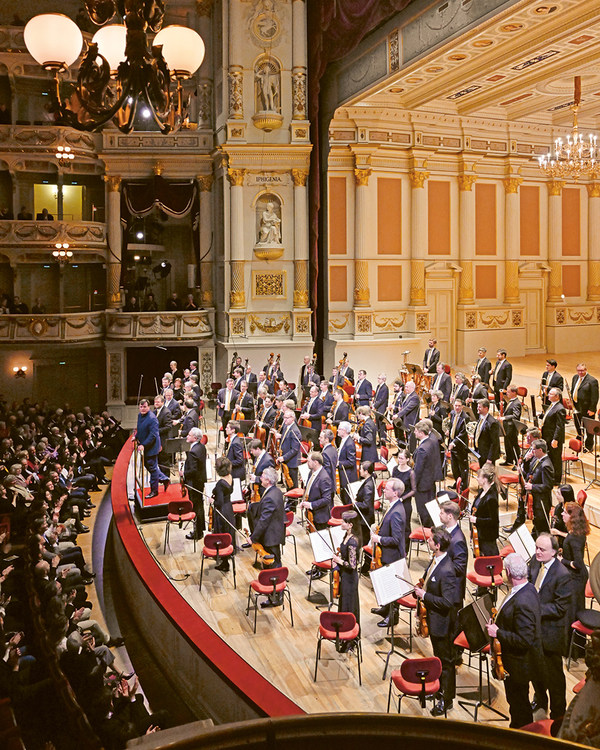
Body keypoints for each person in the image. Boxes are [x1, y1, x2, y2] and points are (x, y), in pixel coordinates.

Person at [486, 553, 542, 729]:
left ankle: (521, 735)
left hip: (519, 665)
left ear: (509, 572)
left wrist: (498, 632)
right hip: (518, 663)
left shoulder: (523, 601)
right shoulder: (529, 588)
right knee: (517, 703)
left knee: (519, 704)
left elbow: (524, 640)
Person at [414, 527, 460, 716]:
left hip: (443, 624)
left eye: (431, 540)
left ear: (438, 545)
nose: (428, 542)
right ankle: (440, 690)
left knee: (446, 662)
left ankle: (446, 700)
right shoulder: (436, 560)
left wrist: (424, 595)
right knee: (439, 659)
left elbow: (448, 602)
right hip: (434, 621)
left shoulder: (447, 570)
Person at [529, 532, 571, 719]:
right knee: (535, 670)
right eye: (536, 547)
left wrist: (534, 608)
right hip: (533, 631)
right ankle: (540, 699)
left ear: (554, 552)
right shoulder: (535, 562)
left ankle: (558, 712)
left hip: (550, 633)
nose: (537, 552)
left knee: (554, 677)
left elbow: (560, 608)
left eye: (542, 549)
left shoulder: (563, 575)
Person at [370, 477, 406, 628]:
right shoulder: (394, 506)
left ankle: (392, 617)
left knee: (392, 588)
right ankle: (386, 609)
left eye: (387, 489)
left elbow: (396, 539)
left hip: (392, 556)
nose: (384, 490)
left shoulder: (397, 512)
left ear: (396, 493)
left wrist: (379, 538)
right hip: (388, 554)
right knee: (386, 585)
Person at [560, 501, 590, 648]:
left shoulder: (575, 537)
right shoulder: (575, 533)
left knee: (572, 612)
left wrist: (562, 560)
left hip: (576, 579)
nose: (562, 514)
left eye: (565, 512)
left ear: (572, 517)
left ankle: (574, 648)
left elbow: (577, 564)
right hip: (575, 577)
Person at [251, 467, 285, 589]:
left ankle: (276, 595)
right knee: (274, 564)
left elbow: (264, 521)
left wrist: (253, 538)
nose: (260, 478)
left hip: (271, 537)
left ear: (268, 480)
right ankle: (274, 593)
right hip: (274, 534)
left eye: (263, 476)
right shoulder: (276, 491)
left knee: (273, 567)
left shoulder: (270, 497)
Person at [331, 510, 362, 638]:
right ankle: (344, 632)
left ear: (350, 525)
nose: (341, 523)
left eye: (344, 521)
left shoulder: (353, 542)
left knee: (349, 605)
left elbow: (352, 565)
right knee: (344, 603)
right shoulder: (347, 536)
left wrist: (339, 561)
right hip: (345, 576)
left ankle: (349, 636)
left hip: (350, 579)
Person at [135, 399, 169, 499]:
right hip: (145, 446)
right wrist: (136, 436)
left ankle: (154, 491)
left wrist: (144, 445)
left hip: (151, 447)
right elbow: (141, 428)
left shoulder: (152, 418)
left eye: (144, 407)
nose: (142, 409)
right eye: (141, 407)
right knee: (149, 466)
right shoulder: (139, 415)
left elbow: (153, 435)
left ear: (149, 407)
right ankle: (164, 478)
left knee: (153, 469)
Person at [413, 420, 443, 527]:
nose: (414, 433)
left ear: (421, 433)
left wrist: (413, 485)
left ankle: (426, 532)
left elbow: (418, 470)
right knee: (431, 506)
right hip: (430, 480)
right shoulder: (432, 441)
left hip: (423, 484)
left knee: (423, 510)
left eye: (416, 431)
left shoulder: (422, 449)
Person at [438, 499, 467, 604]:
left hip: (452, 592)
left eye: (441, 513)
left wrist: (440, 562)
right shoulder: (443, 529)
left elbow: (459, 567)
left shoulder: (458, 540)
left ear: (450, 516)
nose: (439, 515)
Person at [523, 439, 554, 537]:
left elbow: (548, 486)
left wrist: (532, 487)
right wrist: (526, 461)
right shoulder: (536, 460)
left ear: (540, 450)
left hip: (542, 502)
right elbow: (529, 472)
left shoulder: (546, 465)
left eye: (533, 450)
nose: (532, 452)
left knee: (542, 527)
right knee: (536, 524)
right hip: (536, 499)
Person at [210, 457, 236, 570]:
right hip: (229, 507)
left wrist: (212, 501)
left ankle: (224, 562)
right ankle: (227, 554)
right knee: (228, 531)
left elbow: (219, 502)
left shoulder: (221, 483)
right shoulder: (230, 477)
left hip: (222, 511)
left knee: (221, 532)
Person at [299, 452, 333, 536]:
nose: (307, 463)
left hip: (320, 516)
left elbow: (327, 499)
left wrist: (311, 504)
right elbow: (308, 488)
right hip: (312, 514)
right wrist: (303, 501)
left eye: (308, 461)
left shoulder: (324, 478)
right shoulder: (311, 472)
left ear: (316, 462)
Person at [470, 462, 500, 556]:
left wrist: (476, 520)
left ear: (484, 479)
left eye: (479, 477)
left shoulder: (491, 498)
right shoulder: (483, 491)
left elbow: (494, 521)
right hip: (481, 535)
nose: (477, 478)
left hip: (487, 538)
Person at [184, 427, 207, 540]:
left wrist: (183, 473)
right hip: (200, 481)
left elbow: (192, 470)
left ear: (195, 438)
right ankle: (200, 530)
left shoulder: (193, 452)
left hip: (194, 484)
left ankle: (197, 532)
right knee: (199, 506)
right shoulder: (202, 447)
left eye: (189, 435)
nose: (187, 436)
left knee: (196, 507)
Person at [570, 363, 599, 451]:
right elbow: (573, 390)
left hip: (587, 408)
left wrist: (592, 409)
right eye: (579, 370)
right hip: (577, 406)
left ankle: (588, 446)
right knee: (578, 424)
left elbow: (595, 396)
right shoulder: (575, 377)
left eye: (582, 370)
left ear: (586, 370)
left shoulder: (592, 381)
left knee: (589, 429)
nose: (580, 372)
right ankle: (579, 441)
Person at [541, 387, 566, 484]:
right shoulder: (552, 405)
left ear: (557, 396)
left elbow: (560, 426)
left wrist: (555, 439)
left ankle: (556, 479)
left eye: (550, 394)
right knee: (550, 456)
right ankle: (550, 476)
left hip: (554, 438)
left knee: (556, 458)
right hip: (547, 436)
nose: (548, 395)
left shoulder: (560, 409)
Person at [392, 448, 416, 551]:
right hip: (395, 501)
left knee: (405, 527)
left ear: (407, 459)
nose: (399, 460)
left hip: (405, 503)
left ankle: (405, 550)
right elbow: (392, 482)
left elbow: (414, 490)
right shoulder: (395, 469)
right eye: (398, 458)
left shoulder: (411, 473)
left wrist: (402, 499)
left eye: (401, 458)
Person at [354, 461, 375, 573]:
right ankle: (365, 565)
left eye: (361, 469)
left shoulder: (368, 486)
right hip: (366, 517)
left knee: (365, 542)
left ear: (366, 471)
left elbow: (366, 505)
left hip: (364, 518)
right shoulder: (369, 480)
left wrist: (356, 503)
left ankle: (366, 566)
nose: (359, 470)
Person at [276, 411, 302, 489]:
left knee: (292, 485)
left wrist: (283, 457)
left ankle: (293, 501)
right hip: (286, 460)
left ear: (292, 418)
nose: (285, 420)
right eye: (284, 418)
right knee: (287, 483)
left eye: (287, 418)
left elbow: (294, 449)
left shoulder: (295, 431)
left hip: (292, 462)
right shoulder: (286, 427)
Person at [447, 399, 469, 491]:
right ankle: (457, 483)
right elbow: (451, 425)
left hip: (460, 445)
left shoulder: (465, 417)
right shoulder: (452, 413)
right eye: (455, 405)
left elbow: (463, 433)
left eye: (459, 406)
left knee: (462, 467)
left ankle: (463, 486)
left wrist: (454, 443)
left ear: (462, 407)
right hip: (452, 443)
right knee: (454, 467)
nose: (457, 407)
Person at [473, 398, 501, 466]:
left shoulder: (492, 423)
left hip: (487, 455)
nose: (477, 408)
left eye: (479, 407)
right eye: (477, 406)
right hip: (480, 452)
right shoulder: (481, 417)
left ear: (486, 408)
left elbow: (494, 443)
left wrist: (490, 458)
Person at [500, 385, 522, 468]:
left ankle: (517, 463)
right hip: (507, 427)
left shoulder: (517, 403)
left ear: (514, 392)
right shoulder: (511, 401)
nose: (507, 393)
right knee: (507, 444)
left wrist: (504, 417)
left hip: (512, 427)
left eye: (508, 392)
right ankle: (509, 460)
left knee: (514, 445)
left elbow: (515, 416)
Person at [396, 380, 420, 451]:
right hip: (406, 422)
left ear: (412, 387)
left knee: (411, 443)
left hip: (412, 422)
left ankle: (412, 458)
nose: (405, 388)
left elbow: (408, 408)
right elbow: (405, 407)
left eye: (407, 387)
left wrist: (398, 414)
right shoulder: (408, 395)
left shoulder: (414, 397)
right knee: (408, 442)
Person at [337, 421, 357, 502]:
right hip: (343, 474)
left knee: (347, 499)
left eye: (339, 429)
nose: (337, 430)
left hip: (347, 476)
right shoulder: (344, 440)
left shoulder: (349, 443)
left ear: (344, 431)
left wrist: (339, 463)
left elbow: (351, 462)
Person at [372, 373, 389, 445]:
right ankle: (379, 441)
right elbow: (376, 397)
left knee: (382, 426)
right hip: (378, 408)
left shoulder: (385, 388)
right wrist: (373, 403)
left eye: (379, 378)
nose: (378, 380)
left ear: (384, 379)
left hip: (382, 408)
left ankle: (383, 442)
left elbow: (382, 399)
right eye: (378, 378)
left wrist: (375, 405)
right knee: (378, 425)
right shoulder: (378, 386)